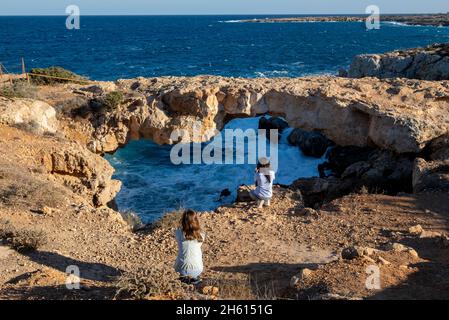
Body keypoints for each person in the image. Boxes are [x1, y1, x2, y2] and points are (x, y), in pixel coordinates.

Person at [174, 209, 205, 284]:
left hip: (181, 269)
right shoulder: (202, 235)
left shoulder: (178, 233)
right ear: (196, 221)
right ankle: (194, 279)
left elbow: (180, 231)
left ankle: (184, 279)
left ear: (183, 221)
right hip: (197, 269)